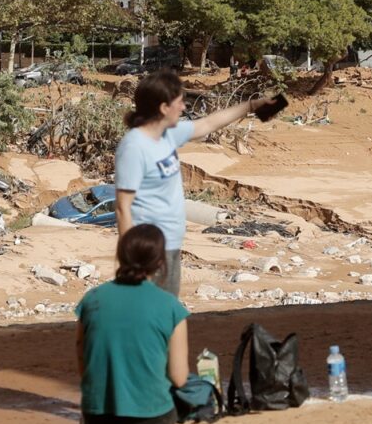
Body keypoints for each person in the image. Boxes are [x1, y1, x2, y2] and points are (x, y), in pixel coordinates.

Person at [115, 69, 279, 296]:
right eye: (180, 102)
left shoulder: (167, 134)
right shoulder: (134, 147)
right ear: (163, 108)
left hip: (170, 243)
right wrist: (130, 261)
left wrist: (252, 106)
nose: (183, 108)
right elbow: (123, 207)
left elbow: (207, 124)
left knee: (165, 315)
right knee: (152, 317)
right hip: (147, 251)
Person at [75, 225, 189, 424]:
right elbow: (179, 378)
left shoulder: (92, 299)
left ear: (120, 256)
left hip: (98, 418)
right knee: (185, 404)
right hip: (151, 417)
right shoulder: (170, 307)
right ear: (160, 264)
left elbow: (83, 358)